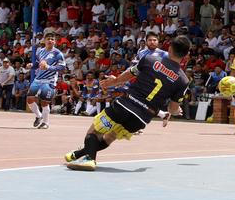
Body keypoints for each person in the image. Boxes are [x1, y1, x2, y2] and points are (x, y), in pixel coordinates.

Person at [64, 36, 191, 171]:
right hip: (142, 118)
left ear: (169, 49)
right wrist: (175, 111)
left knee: (95, 130)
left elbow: (129, 74)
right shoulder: (183, 80)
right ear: (186, 55)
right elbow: (173, 108)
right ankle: (79, 154)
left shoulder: (150, 59)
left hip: (125, 105)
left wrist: (113, 82)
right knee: (110, 136)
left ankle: (89, 159)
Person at [25, 32, 66, 129]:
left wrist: (48, 67)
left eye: (52, 39)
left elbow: (62, 67)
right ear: (44, 41)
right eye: (48, 39)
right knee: (29, 99)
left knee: (44, 102)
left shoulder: (58, 53)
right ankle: (39, 116)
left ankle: (46, 123)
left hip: (49, 80)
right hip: (38, 79)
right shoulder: (40, 51)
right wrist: (32, 66)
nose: (50, 41)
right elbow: (38, 64)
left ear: (55, 42)